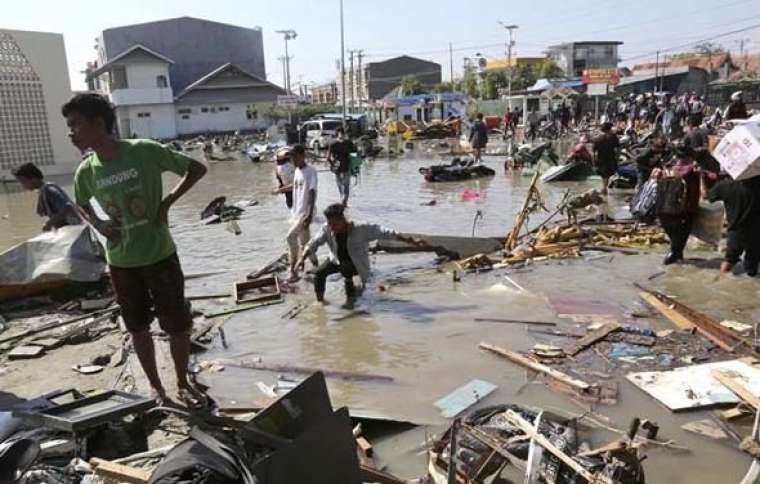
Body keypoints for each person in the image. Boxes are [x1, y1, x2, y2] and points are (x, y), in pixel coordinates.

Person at [64, 93, 207, 407]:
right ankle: (157, 387)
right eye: (69, 126)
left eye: (75, 124)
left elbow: (196, 169)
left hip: (160, 257)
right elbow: (82, 203)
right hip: (122, 264)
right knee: (138, 328)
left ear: (98, 123)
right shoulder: (85, 171)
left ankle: (183, 381)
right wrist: (101, 226)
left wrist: (167, 203)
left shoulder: (144, 151)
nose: (70, 132)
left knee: (178, 326)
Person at [296, 203, 425, 309]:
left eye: (334, 224)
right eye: (329, 223)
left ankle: (350, 301)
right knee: (319, 273)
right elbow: (314, 242)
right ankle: (320, 303)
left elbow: (387, 232)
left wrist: (411, 240)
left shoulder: (361, 228)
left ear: (343, 220)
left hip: (356, 264)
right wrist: (302, 258)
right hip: (336, 260)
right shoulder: (327, 229)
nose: (331, 227)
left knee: (346, 270)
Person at [275, 144, 319, 281]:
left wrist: (309, 214)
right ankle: (317, 266)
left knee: (290, 238)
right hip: (296, 212)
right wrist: (279, 190)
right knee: (306, 244)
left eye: (294, 157)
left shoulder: (311, 172)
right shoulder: (297, 171)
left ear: (302, 156)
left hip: (304, 212)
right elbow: (294, 187)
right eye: (290, 157)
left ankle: (293, 271)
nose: (291, 160)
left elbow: (312, 193)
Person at [653, 144, 701, 265]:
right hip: (684, 211)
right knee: (678, 243)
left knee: (675, 240)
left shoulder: (665, 169)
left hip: (663, 210)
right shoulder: (693, 171)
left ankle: (677, 261)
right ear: (690, 156)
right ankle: (672, 261)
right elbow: (712, 180)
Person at [708, 176, 760, 276]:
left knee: (729, 261)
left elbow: (709, 197)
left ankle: (719, 282)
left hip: (735, 231)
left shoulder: (725, 185)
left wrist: (702, 179)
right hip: (756, 232)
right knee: (752, 266)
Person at [12, 163, 81, 231]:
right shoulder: (43, 191)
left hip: (74, 230)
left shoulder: (50, 190)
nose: (22, 185)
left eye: (23, 181)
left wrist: (49, 223)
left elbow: (68, 207)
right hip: (67, 230)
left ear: (33, 178)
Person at [327, 128, 356, 206]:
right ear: (344, 134)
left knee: (340, 184)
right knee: (346, 185)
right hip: (346, 165)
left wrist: (332, 165)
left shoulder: (332, 143)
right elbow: (355, 155)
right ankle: (344, 201)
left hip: (337, 166)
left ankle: (343, 200)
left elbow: (328, 158)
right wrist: (355, 165)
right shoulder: (348, 143)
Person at [592, 122, 620, 195]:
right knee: (608, 174)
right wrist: (617, 157)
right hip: (611, 158)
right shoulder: (613, 137)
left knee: (604, 175)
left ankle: (604, 188)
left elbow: (594, 152)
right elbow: (617, 149)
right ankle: (605, 189)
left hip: (601, 159)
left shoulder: (597, 138)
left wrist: (594, 162)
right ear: (609, 129)